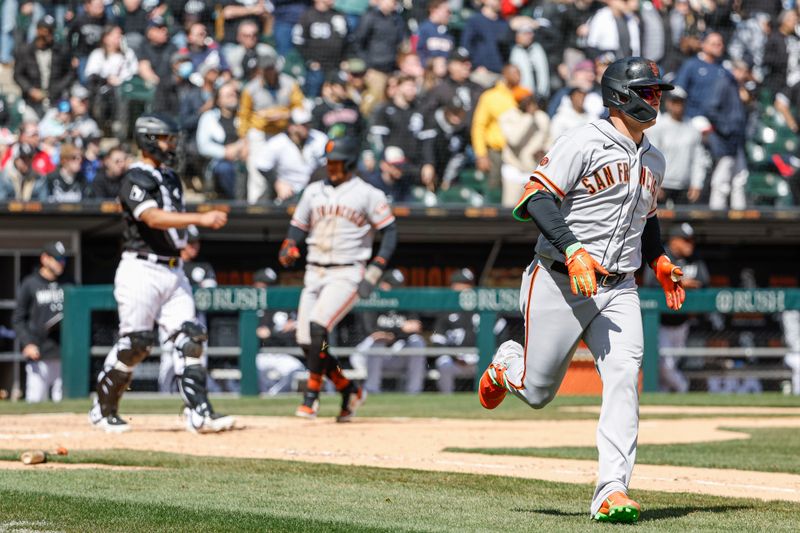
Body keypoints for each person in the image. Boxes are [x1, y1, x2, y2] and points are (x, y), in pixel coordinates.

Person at [478, 57, 686, 524]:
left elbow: (645, 218)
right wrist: (572, 248)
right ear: (621, 95)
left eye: (657, 92)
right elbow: (535, 197)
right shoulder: (584, 140)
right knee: (536, 392)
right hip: (558, 278)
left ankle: (611, 488)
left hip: (619, 287)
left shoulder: (654, 156)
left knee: (623, 377)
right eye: (648, 91)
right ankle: (507, 363)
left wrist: (659, 259)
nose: (656, 99)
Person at [88, 114, 234, 434]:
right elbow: (152, 218)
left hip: (173, 269)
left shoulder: (170, 177)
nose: (172, 144)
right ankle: (103, 408)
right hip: (141, 268)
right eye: (167, 138)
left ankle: (199, 412)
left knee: (190, 338)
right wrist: (203, 217)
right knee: (136, 344)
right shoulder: (135, 178)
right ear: (149, 140)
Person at [278, 136, 397, 421]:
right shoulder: (313, 191)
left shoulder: (368, 193)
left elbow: (390, 232)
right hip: (314, 270)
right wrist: (288, 244)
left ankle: (311, 396)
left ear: (351, 163)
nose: (331, 168)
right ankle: (348, 388)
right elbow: (297, 227)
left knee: (319, 326)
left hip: (347, 271)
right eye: (329, 162)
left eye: (337, 163)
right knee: (308, 341)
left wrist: (375, 270)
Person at [644, 222, 708, 393]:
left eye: (692, 240)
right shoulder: (661, 256)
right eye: (686, 240)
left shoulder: (695, 259)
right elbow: (650, 284)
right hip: (661, 323)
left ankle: (662, 401)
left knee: (670, 366)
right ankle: (684, 388)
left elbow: (705, 282)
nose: (690, 244)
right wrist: (679, 283)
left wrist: (688, 286)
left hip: (682, 323)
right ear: (674, 240)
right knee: (665, 365)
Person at [158, 224, 218, 394]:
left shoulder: (203, 267)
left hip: (196, 318)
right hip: (171, 317)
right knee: (169, 361)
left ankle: (196, 396)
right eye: (190, 243)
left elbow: (210, 292)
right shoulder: (170, 264)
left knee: (198, 358)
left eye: (196, 242)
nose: (194, 246)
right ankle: (164, 398)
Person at [350, 268, 427, 394]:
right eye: (392, 286)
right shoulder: (373, 299)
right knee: (378, 342)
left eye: (398, 287)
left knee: (417, 342)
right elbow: (373, 332)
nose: (396, 290)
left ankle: (414, 391)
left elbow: (416, 326)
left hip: (395, 353)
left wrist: (392, 333)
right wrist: (401, 329)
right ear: (383, 285)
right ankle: (372, 389)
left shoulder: (404, 301)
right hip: (365, 356)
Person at [12, 241, 69, 403]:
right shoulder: (30, 283)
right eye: (57, 259)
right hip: (39, 352)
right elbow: (18, 318)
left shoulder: (69, 283)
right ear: (45, 258)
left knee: (64, 402)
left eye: (63, 259)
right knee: (36, 401)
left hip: (64, 353)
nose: (61, 263)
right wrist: (27, 343)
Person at [645, 86, 707, 206]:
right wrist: (655, 183)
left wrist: (697, 184)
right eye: (675, 102)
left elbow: (698, 159)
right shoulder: (658, 127)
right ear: (668, 103)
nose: (678, 106)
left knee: (683, 223)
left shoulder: (692, 129)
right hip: (663, 185)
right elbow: (651, 157)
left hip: (684, 187)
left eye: (681, 102)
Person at [255, 107, 328, 203]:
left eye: (308, 124)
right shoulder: (277, 143)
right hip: (288, 190)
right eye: (302, 125)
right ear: (291, 126)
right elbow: (262, 166)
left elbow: (325, 165)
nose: (306, 128)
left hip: (314, 187)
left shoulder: (319, 138)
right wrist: (278, 183)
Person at [253, 267, 306, 395]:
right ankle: (263, 395)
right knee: (252, 366)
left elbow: (292, 332)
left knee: (295, 369)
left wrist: (271, 333)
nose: (267, 289)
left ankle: (273, 396)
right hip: (262, 354)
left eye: (270, 285)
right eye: (264, 285)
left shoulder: (283, 305)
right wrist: (278, 331)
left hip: (283, 354)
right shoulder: (253, 305)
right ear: (256, 284)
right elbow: (256, 334)